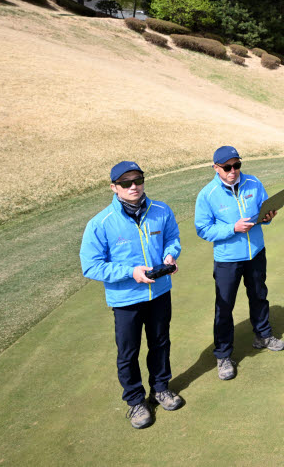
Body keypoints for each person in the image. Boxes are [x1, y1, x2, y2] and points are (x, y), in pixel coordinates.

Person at [80, 161, 185, 429]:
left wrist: (171, 254)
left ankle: (160, 388)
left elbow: (173, 238)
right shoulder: (100, 223)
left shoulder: (161, 210)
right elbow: (91, 265)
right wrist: (130, 272)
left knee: (160, 342)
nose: (133, 186)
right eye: (126, 183)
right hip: (126, 299)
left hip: (159, 292)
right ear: (114, 188)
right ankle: (136, 401)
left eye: (138, 180)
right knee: (129, 352)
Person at [195, 146, 284, 382]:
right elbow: (203, 229)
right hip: (227, 259)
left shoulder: (254, 183)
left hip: (255, 252)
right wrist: (232, 228)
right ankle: (223, 355)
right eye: (227, 167)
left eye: (237, 165)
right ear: (216, 168)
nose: (233, 171)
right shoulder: (208, 194)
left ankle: (263, 336)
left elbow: (263, 212)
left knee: (259, 295)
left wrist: (267, 217)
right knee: (224, 307)